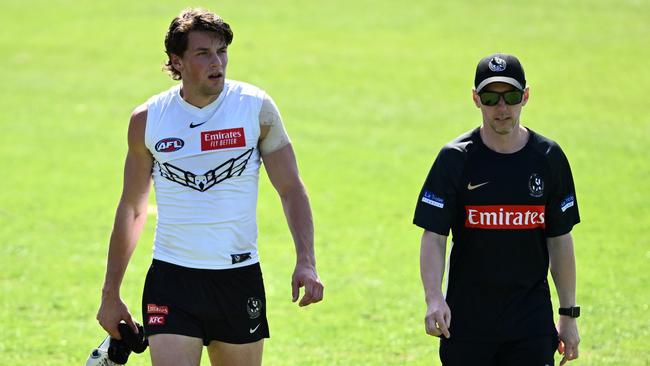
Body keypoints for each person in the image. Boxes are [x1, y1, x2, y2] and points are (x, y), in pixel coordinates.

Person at [96, 8, 324, 366]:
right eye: (203, 53)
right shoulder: (148, 119)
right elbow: (133, 208)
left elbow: (291, 189)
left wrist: (306, 262)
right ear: (177, 61)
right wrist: (111, 294)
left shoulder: (255, 108)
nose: (217, 62)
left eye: (222, 51)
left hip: (238, 278)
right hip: (173, 278)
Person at [413, 53, 581, 365]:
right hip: (466, 323)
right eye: (491, 98)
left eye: (511, 97)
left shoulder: (548, 158)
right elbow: (433, 235)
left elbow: (560, 240)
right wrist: (433, 298)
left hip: (530, 323)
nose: (502, 108)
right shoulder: (455, 159)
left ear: (526, 96)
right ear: (476, 99)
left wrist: (569, 315)